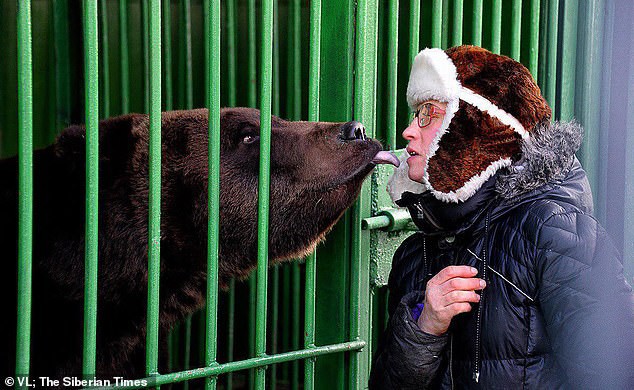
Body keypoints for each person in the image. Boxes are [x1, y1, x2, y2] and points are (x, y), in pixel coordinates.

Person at [369, 45, 634, 389]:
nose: (408, 131)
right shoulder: (412, 255)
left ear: (475, 127)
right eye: (415, 113)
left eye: (428, 113)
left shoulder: (552, 231)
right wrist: (424, 326)